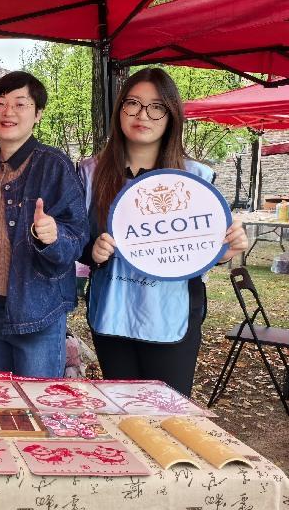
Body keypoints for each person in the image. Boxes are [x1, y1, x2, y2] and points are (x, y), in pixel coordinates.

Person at [79, 67, 248, 396]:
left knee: (168, 413)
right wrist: (93, 251)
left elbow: (202, 247)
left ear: (171, 116)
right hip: (112, 314)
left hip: (171, 317)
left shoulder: (196, 176)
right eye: (133, 103)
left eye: (156, 107)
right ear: (119, 109)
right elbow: (77, 242)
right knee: (122, 412)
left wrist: (223, 252)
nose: (143, 115)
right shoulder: (90, 172)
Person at [0, 71, 87, 378]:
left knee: (37, 401)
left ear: (38, 114)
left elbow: (78, 236)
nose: (8, 112)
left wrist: (53, 237)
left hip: (37, 311)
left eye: (20, 104)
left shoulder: (54, 166)